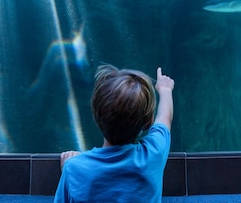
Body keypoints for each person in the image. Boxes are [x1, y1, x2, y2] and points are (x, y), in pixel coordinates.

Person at [54, 65, 175, 203]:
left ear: (96, 116)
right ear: (148, 122)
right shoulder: (154, 153)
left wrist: (69, 170)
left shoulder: (74, 168)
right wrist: (165, 90)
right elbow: (165, 117)